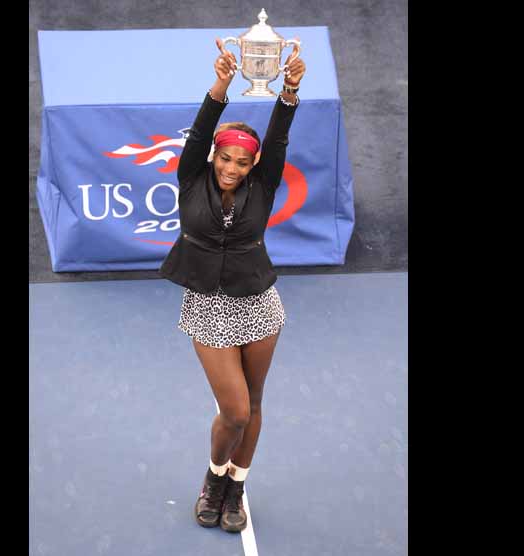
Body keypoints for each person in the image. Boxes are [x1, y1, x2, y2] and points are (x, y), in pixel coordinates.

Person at [159, 38, 306, 533]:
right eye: (226, 159)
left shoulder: (263, 186)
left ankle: (235, 486)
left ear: (253, 168)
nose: (231, 169)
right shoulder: (190, 177)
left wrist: (288, 91)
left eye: (242, 164)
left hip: (259, 304)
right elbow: (200, 133)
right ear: (214, 157)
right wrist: (221, 85)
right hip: (207, 306)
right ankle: (213, 474)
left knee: (255, 403)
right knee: (235, 410)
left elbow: (279, 140)